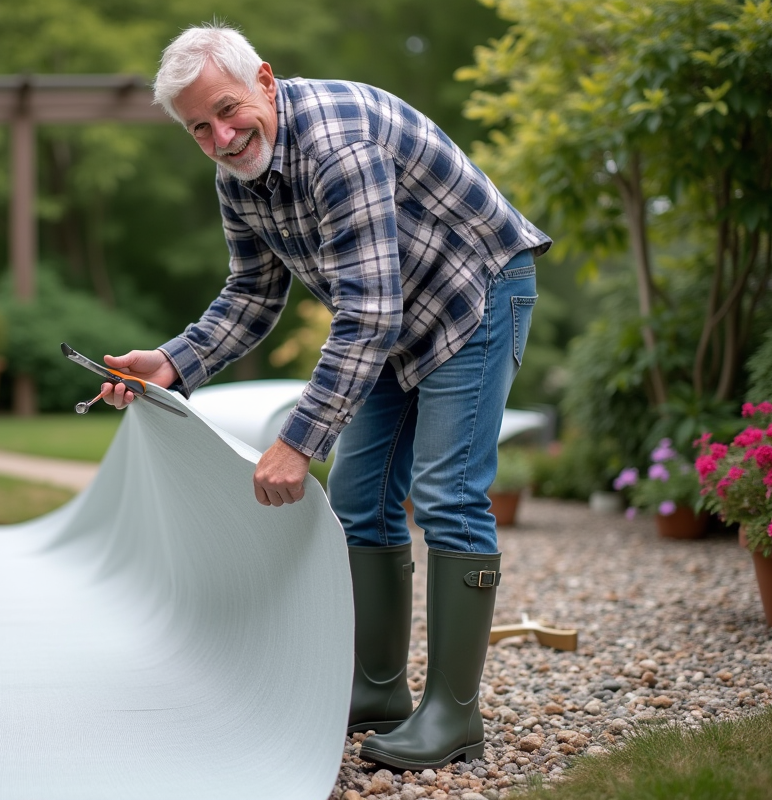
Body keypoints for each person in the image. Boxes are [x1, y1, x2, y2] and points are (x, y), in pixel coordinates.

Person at [99, 23, 550, 771]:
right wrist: (172, 365)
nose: (220, 135)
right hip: (396, 316)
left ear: (266, 81)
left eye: (228, 109)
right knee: (360, 498)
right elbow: (252, 292)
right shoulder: (236, 174)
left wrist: (298, 438)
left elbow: (369, 311)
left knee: (446, 495)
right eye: (199, 127)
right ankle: (378, 689)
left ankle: (454, 715)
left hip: (476, 293)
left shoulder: (337, 144)